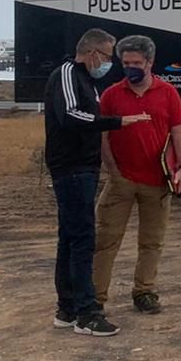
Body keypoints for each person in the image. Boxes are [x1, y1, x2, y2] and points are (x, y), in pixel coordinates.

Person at [44, 29, 150, 336]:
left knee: (71, 237)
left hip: (84, 168)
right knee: (82, 240)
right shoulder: (67, 74)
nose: (108, 64)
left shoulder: (88, 81)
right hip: (71, 168)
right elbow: (70, 116)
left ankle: (67, 308)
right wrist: (117, 122)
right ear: (92, 54)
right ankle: (86, 314)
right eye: (106, 57)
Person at [93, 35, 181, 315]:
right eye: (125, 63)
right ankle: (96, 298)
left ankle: (144, 291)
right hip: (121, 180)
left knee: (152, 241)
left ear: (150, 62)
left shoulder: (168, 93)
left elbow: (178, 130)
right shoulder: (111, 94)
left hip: (158, 181)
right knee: (106, 240)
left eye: (136, 63)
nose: (131, 67)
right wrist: (112, 170)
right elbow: (103, 135)